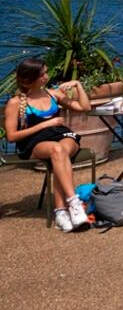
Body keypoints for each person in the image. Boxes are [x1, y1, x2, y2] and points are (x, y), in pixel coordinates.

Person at [2, 59, 91, 232]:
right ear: (31, 78)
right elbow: (12, 136)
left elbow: (84, 107)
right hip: (35, 141)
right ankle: (73, 202)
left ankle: (62, 212)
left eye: (46, 72)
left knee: (59, 153)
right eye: (42, 74)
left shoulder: (53, 94)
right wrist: (44, 125)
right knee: (57, 152)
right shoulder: (16, 103)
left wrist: (78, 85)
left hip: (62, 135)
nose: (46, 77)